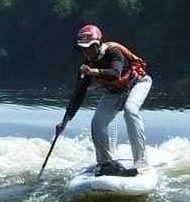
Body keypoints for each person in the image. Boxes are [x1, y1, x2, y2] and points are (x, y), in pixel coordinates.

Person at [55, 24, 152, 177]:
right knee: (97, 123)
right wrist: (65, 121)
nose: (86, 51)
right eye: (83, 48)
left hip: (138, 83)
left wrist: (94, 71)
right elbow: (77, 96)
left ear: (97, 43)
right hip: (115, 91)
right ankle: (106, 163)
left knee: (130, 110)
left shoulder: (113, 52)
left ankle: (141, 161)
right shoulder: (86, 67)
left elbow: (115, 74)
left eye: (89, 47)